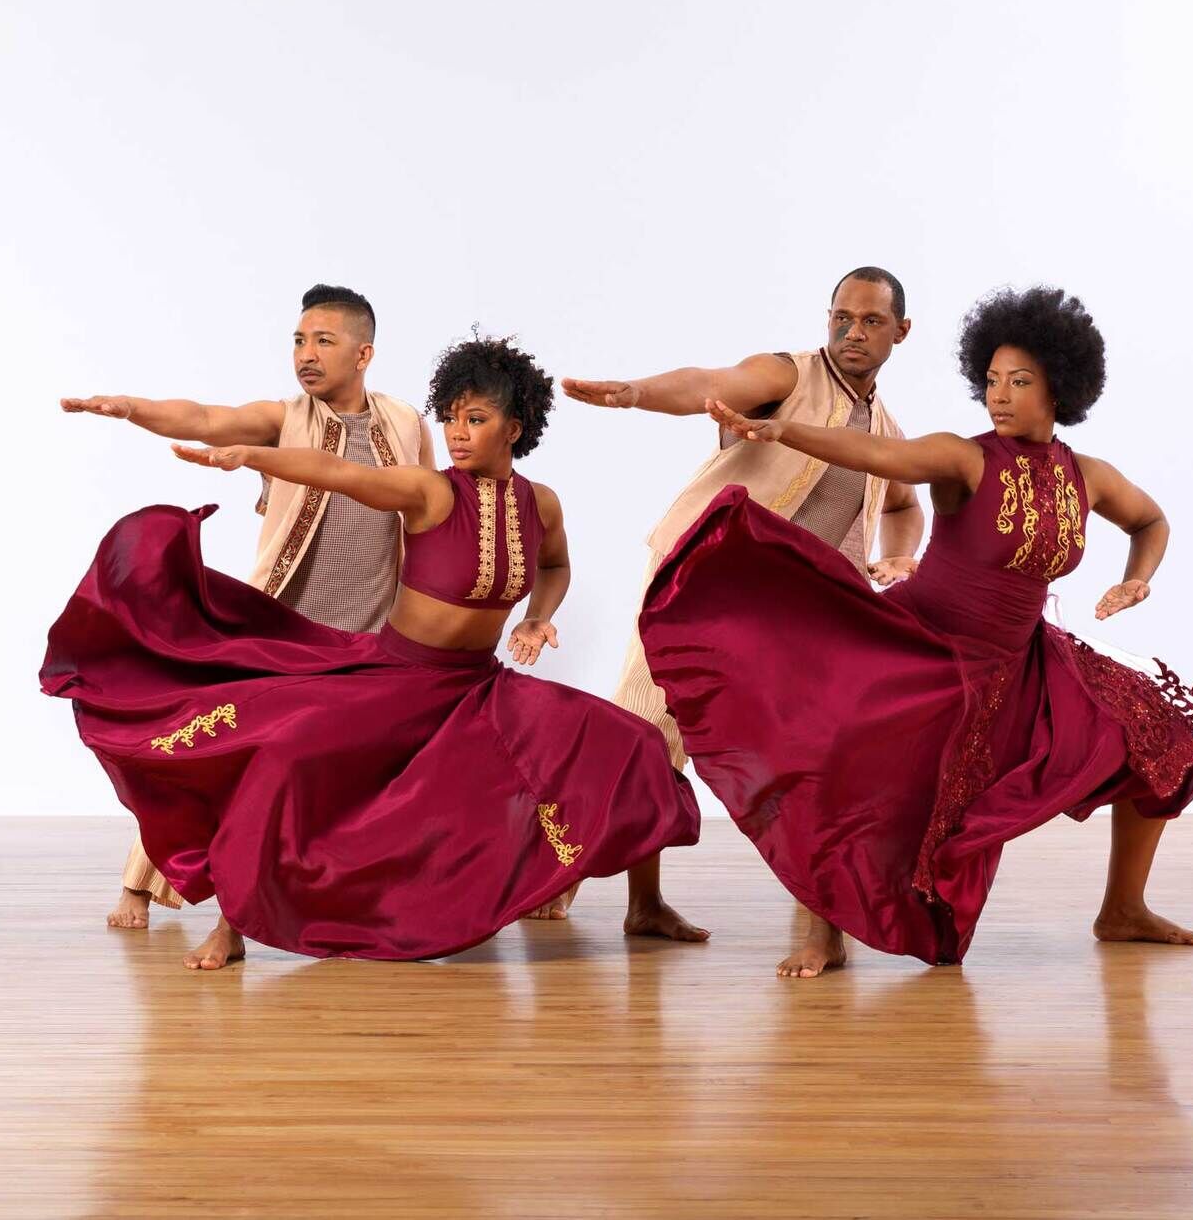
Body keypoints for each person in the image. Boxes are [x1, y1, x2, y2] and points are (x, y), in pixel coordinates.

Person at [42, 334, 700, 969]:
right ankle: (233, 925)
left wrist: (536, 619)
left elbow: (554, 567)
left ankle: (645, 904)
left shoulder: (541, 504)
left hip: (479, 690)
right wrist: (252, 456)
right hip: (395, 680)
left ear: (518, 424)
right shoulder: (430, 491)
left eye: (476, 418)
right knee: (285, 756)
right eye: (450, 418)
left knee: (636, 744)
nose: (458, 432)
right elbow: (337, 472)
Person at [640, 286, 1193, 977]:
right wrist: (784, 431)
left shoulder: (1086, 477)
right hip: (926, 648)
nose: (999, 395)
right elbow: (875, 456)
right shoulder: (964, 458)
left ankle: (1122, 909)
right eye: (992, 380)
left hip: (1023, 665)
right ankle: (826, 933)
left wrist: (1138, 577)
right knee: (847, 768)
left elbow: (1150, 520)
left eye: (1020, 381)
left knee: (1163, 749)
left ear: (1060, 388)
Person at [551, 266, 927, 940]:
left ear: (902, 331)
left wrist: (899, 556)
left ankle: (727, 911)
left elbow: (904, 502)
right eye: (842, 316)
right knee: (644, 729)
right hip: (701, 586)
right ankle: (568, 876)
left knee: (816, 750)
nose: (853, 332)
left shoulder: (887, 431)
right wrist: (638, 394)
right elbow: (712, 382)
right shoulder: (790, 375)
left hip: (796, 623)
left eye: (872, 321)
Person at [60, 284, 437, 929]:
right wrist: (131, 409)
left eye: (323, 341)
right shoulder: (284, 418)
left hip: (372, 630)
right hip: (281, 624)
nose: (306, 354)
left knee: (361, 770)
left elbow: (427, 512)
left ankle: (349, 897)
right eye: (298, 340)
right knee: (213, 749)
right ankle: (139, 886)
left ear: (364, 353)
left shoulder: (404, 422)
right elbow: (204, 418)